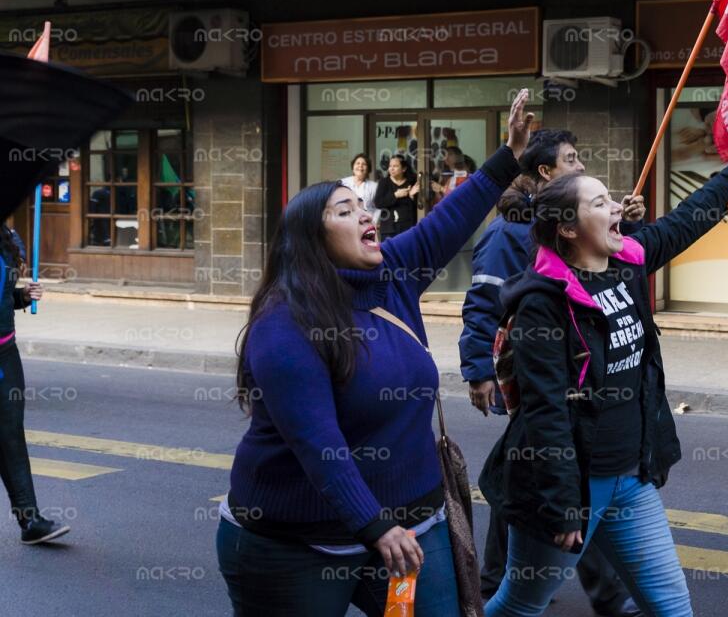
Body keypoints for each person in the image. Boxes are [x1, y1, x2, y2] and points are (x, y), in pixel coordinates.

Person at [215, 90, 534, 617]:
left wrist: (507, 159)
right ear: (311, 239)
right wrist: (373, 525)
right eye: (346, 210)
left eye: (363, 205)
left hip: (412, 523)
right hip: (297, 543)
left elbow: (447, 222)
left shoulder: (391, 272)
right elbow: (319, 445)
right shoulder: (284, 324)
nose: (369, 216)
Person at [479, 141, 728, 617]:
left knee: (673, 608)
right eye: (599, 203)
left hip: (631, 480)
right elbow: (545, 412)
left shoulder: (627, 263)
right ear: (569, 229)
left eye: (610, 198)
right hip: (568, 488)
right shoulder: (542, 303)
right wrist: (562, 505)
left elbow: (683, 223)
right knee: (519, 603)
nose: (617, 207)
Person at [460, 129, 646, 617]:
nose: (581, 165)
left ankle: (582, 587)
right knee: (539, 470)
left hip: (575, 374)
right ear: (545, 173)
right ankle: (505, 580)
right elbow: (483, 303)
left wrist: (617, 227)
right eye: (571, 159)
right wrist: (477, 369)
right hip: (533, 373)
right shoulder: (506, 234)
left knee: (551, 474)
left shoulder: (568, 225)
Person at [0, 225, 68, 545]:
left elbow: (4, 296)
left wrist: (23, 296)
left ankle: (30, 520)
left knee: (11, 434)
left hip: (5, 353)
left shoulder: (8, 238)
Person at [374, 154, 420, 240]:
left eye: (395, 166)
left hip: (408, 227)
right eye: (390, 166)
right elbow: (378, 203)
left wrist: (411, 196)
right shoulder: (384, 182)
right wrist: (396, 195)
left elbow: (420, 206)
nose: (391, 168)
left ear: (404, 168)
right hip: (389, 229)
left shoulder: (411, 181)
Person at [340, 153, 378, 218]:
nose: (360, 166)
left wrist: (374, 222)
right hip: (346, 222)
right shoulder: (342, 183)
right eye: (357, 163)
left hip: (366, 222)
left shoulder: (374, 186)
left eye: (364, 164)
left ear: (368, 169)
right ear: (353, 167)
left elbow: (378, 208)